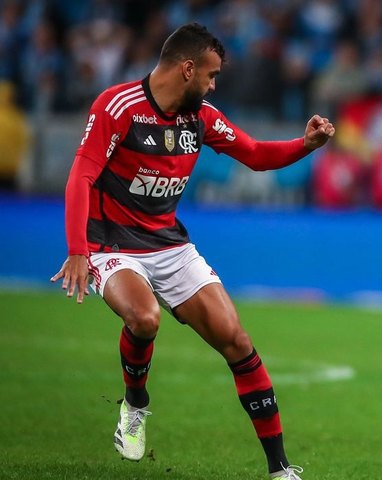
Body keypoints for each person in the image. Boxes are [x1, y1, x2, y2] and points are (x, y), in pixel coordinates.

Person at [49, 23, 335, 480]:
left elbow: (256, 154)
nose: (213, 84)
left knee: (237, 341)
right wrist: (78, 250)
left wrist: (307, 144)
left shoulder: (199, 118)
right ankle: (135, 405)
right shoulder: (118, 106)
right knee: (144, 318)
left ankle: (280, 469)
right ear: (187, 69)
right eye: (211, 74)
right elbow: (80, 176)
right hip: (111, 243)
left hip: (169, 243)